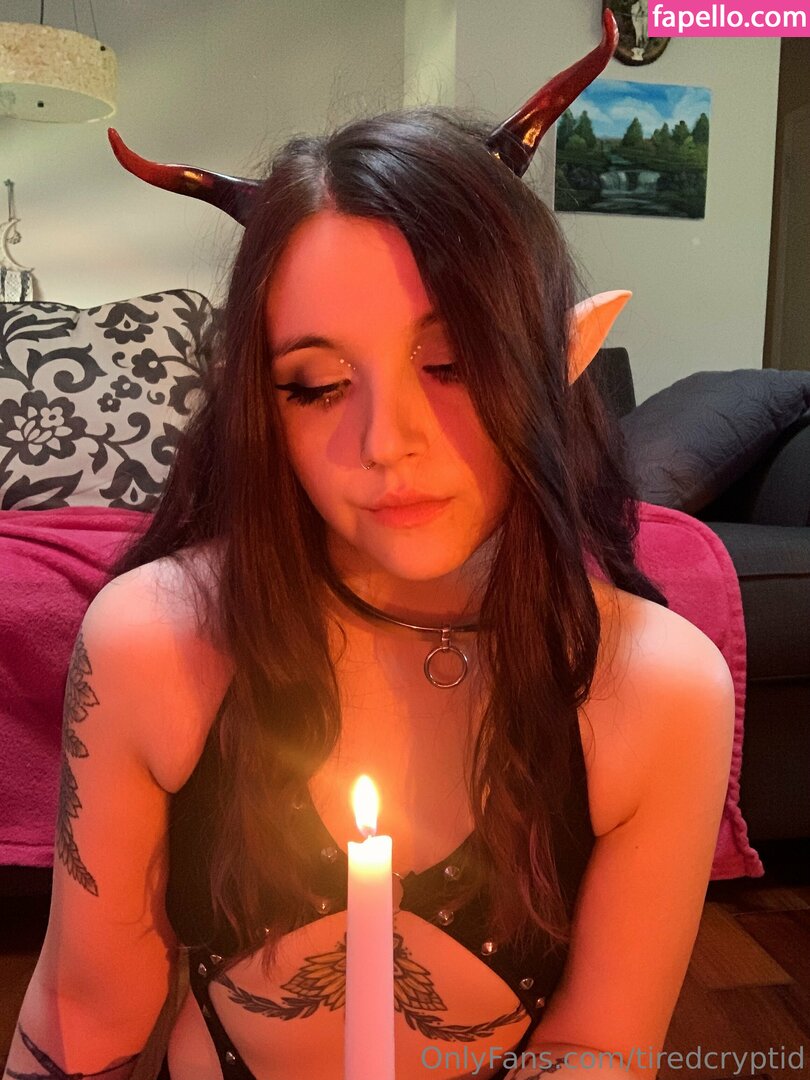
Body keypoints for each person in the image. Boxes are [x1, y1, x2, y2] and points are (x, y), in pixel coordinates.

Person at [6, 14, 734, 1080]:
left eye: (452, 364)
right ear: (262, 406)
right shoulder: (156, 642)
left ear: (557, 357)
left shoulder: (662, 691)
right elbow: (84, 1010)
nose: (386, 443)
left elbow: (601, 1045)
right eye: (316, 384)